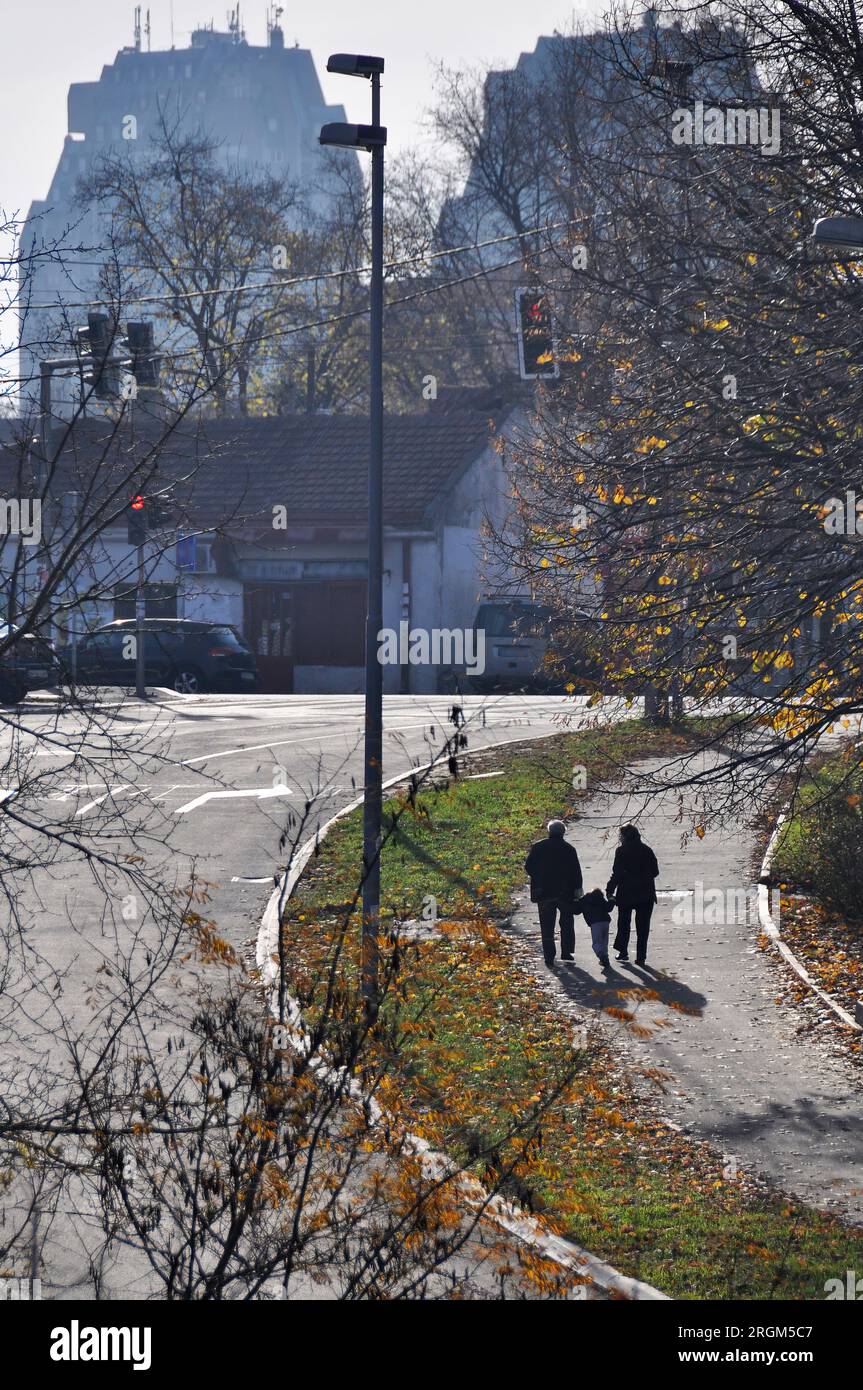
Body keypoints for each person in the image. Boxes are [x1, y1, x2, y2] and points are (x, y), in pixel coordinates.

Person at [524, 820, 583, 967]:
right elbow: (576, 871)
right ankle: (567, 952)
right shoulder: (569, 849)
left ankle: (549, 956)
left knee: (547, 926)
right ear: (563, 832)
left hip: (543, 893)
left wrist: (539, 879)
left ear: (549, 832)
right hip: (565, 893)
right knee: (567, 923)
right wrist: (577, 889)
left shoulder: (538, 847)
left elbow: (528, 867)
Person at [606, 824, 660, 965]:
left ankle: (623, 951)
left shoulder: (621, 851)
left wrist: (610, 889)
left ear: (624, 837)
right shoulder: (647, 850)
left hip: (627, 893)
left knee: (624, 924)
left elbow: (617, 873)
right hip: (645, 893)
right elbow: (655, 872)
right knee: (643, 927)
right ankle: (641, 957)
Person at [573, 886, 616, 971]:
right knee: (604, 941)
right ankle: (605, 957)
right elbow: (608, 908)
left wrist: (575, 902)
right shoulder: (600, 899)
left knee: (596, 942)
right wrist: (611, 900)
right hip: (605, 922)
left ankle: (602, 957)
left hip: (595, 923)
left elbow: (576, 911)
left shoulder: (584, 900)